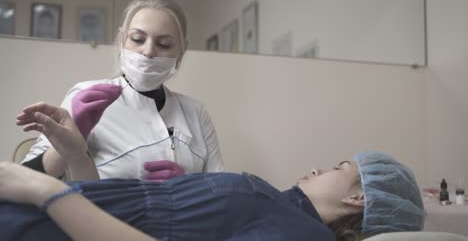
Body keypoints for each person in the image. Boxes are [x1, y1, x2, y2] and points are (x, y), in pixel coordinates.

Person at [0, 102, 425, 241]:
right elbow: (119, 220)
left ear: (359, 198)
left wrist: (45, 192)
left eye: (339, 167)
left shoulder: (301, 234)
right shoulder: (279, 206)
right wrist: (76, 156)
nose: (318, 168)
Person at [22, 0, 224, 181]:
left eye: (164, 44)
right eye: (137, 39)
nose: (148, 51)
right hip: (105, 218)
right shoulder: (87, 98)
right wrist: (72, 139)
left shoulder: (196, 113)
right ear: (121, 41)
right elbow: (26, 180)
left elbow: (224, 193)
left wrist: (189, 187)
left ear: (182, 51)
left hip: (186, 218)